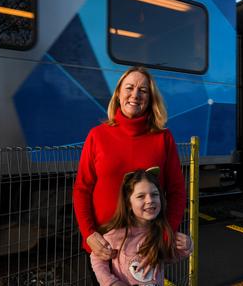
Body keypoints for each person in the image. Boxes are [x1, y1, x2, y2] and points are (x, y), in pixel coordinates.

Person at [72, 66, 188, 274]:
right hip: (104, 246)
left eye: (143, 90)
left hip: (145, 246)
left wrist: (165, 235)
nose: (135, 95)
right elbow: (82, 188)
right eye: (129, 88)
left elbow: (177, 191)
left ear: (150, 98)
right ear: (118, 93)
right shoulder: (97, 136)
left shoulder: (163, 138)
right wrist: (89, 233)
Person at [90, 168, 192, 285]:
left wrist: (186, 247)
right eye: (141, 196)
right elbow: (97, 259)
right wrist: (111, 282)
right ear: (128, 203)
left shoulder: (161, 232)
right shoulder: (117, 234)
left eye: (154, 194)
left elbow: (169, 257)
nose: (149, 200)